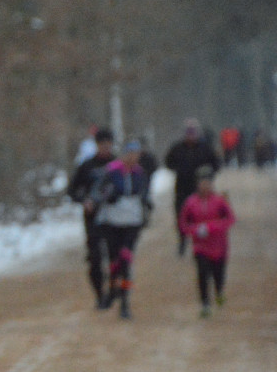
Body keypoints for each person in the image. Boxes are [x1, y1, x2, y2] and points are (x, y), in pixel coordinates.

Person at [91, 140, 152, 319]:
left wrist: (146, 206)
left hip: (132, 222)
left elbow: (145, 194)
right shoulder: (111, 171)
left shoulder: (140, 173)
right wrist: (105, 197)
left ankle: (125, 302)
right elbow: (97, 191)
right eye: (130, 153)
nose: (133, 157)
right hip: (112, 222)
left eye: (136, 154)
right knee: (114, 262)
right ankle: (112, 291)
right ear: (124, 154)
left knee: (126, 260)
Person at [66, 127, 114, 307]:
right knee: (95, 258)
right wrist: (84, 200)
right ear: (97, 144)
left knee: (115, 257)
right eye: (102, 143)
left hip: (114, 219)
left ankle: (114, 291)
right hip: (92, 219)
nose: (105, 146)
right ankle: (99, 294)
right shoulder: (87, 166)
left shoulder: (117, 164)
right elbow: (72, 191)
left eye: (108, 143)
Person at [179, 166, 236, 318]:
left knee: (218, 274)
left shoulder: (220, 201)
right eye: (202, 183)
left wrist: (212, 227)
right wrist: (195, 230)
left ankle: (219, 291)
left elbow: (230, 219)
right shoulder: (190, 202)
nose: (204, 186)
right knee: (203, 274)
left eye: (207, 183)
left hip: (219, 246)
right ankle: (205, 303)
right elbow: (183, 224)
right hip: (200, 246)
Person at [164, 119, 220, 256]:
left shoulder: (205, 148)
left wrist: (208, 176)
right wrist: (178, 169)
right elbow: (168, 162)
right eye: (188, 132)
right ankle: (182, 240)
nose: (190, 135)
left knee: (202, 216)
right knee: (181, 215)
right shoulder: (178, 148)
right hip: (182, 188)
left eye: (193, 132)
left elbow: (216, 163)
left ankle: (203, 242)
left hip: (201, 190)